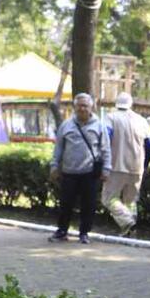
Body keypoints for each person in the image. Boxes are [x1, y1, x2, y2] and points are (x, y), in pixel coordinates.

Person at [48, 93, 109, 245]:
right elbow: (59, 148)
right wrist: (54, 165)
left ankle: (84, 233)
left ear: (91, 107)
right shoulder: (66, 125)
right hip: (69, 173)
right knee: (65, 205)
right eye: (79, 105)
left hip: (90, 173)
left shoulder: (99, 125)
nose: (82, 108)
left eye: (85, 106)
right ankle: (62, 231)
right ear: (74, 107)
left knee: (88, 206)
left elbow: (106, 149)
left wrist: (107, 169)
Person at [101, 92, 150, 236]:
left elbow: (106, 137)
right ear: (131, 104)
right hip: (137, 167)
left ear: (116, 103)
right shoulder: (142, 120)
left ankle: (127, 222)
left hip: (116, 165)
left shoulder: (110, 118)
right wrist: (145, 163)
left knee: (108, 198)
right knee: (130, 200)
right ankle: (129, 232)